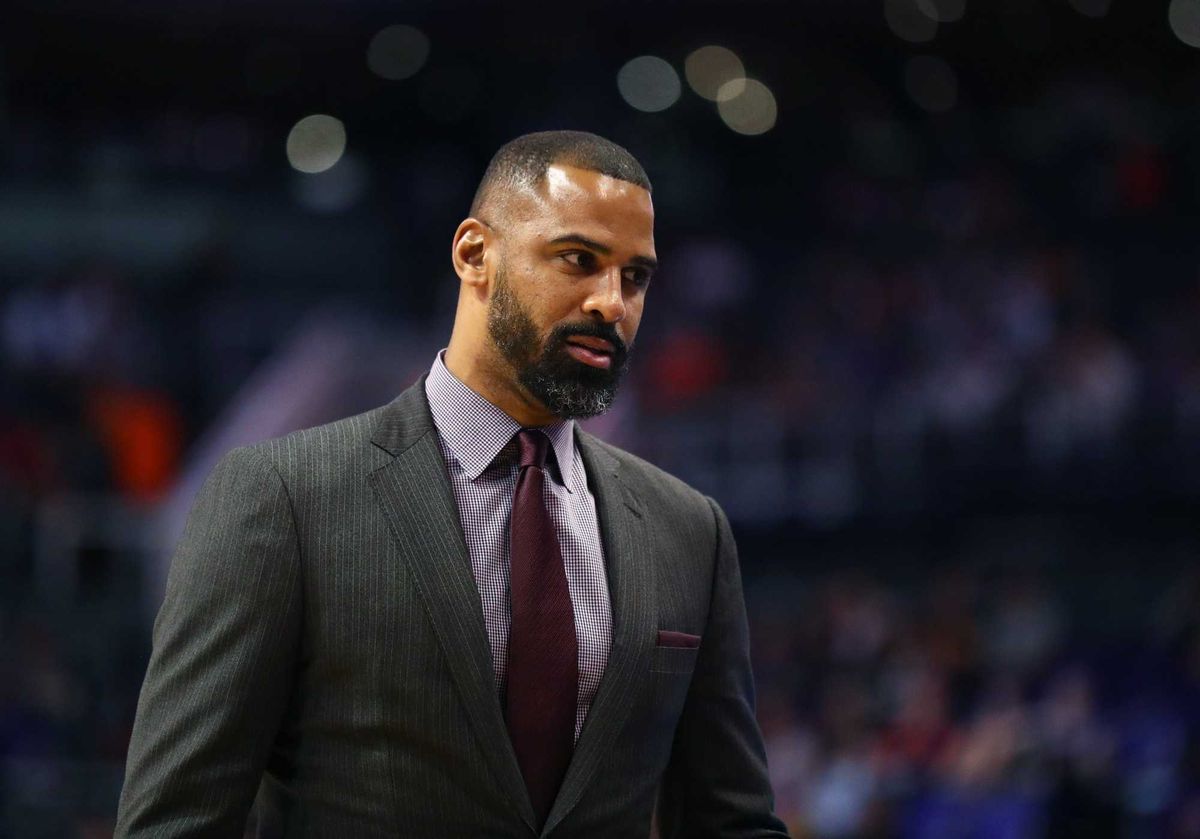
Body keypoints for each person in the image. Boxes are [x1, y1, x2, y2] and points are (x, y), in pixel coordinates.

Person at [115, 130, 789, 838]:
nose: (610, 304)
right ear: (475, 255)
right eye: (577, 259)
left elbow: (731, 821)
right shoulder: (280, 497)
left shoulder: (689, 527)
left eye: (635, 276)